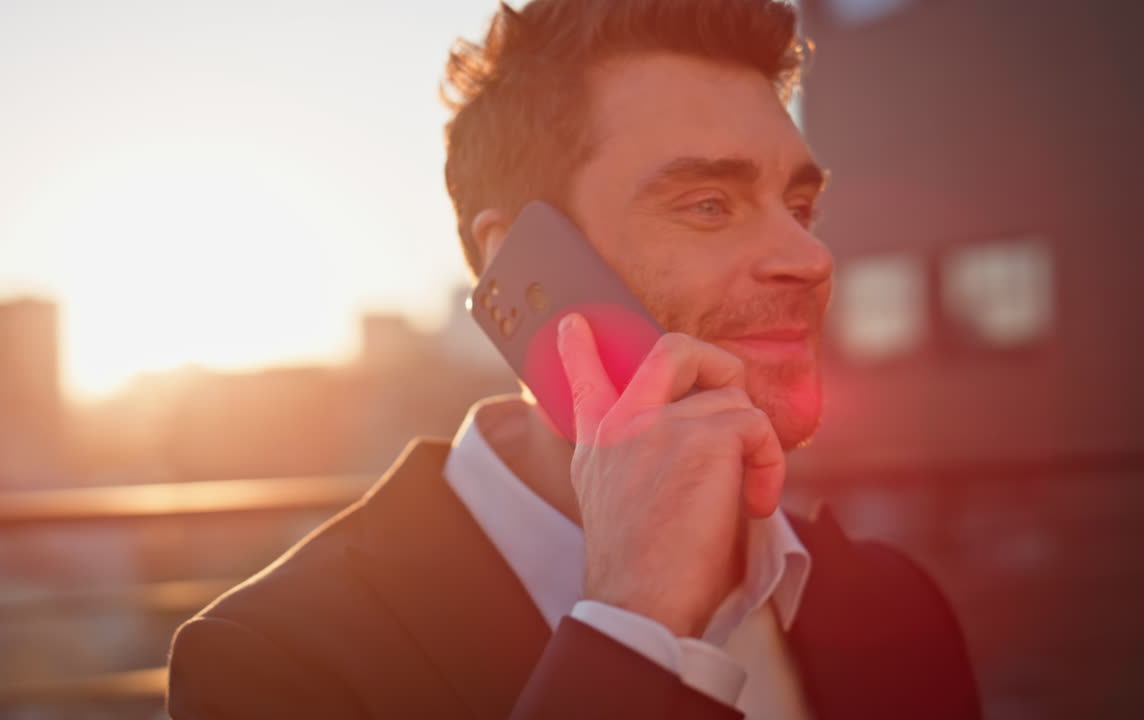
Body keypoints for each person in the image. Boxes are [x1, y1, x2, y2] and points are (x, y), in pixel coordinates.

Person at [166, 0, 981, 717]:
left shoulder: (895, 604)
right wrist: (635, 630)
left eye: (800, 206)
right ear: (519, 264)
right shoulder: (275, 662)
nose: (808, 256)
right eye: (708, 204)